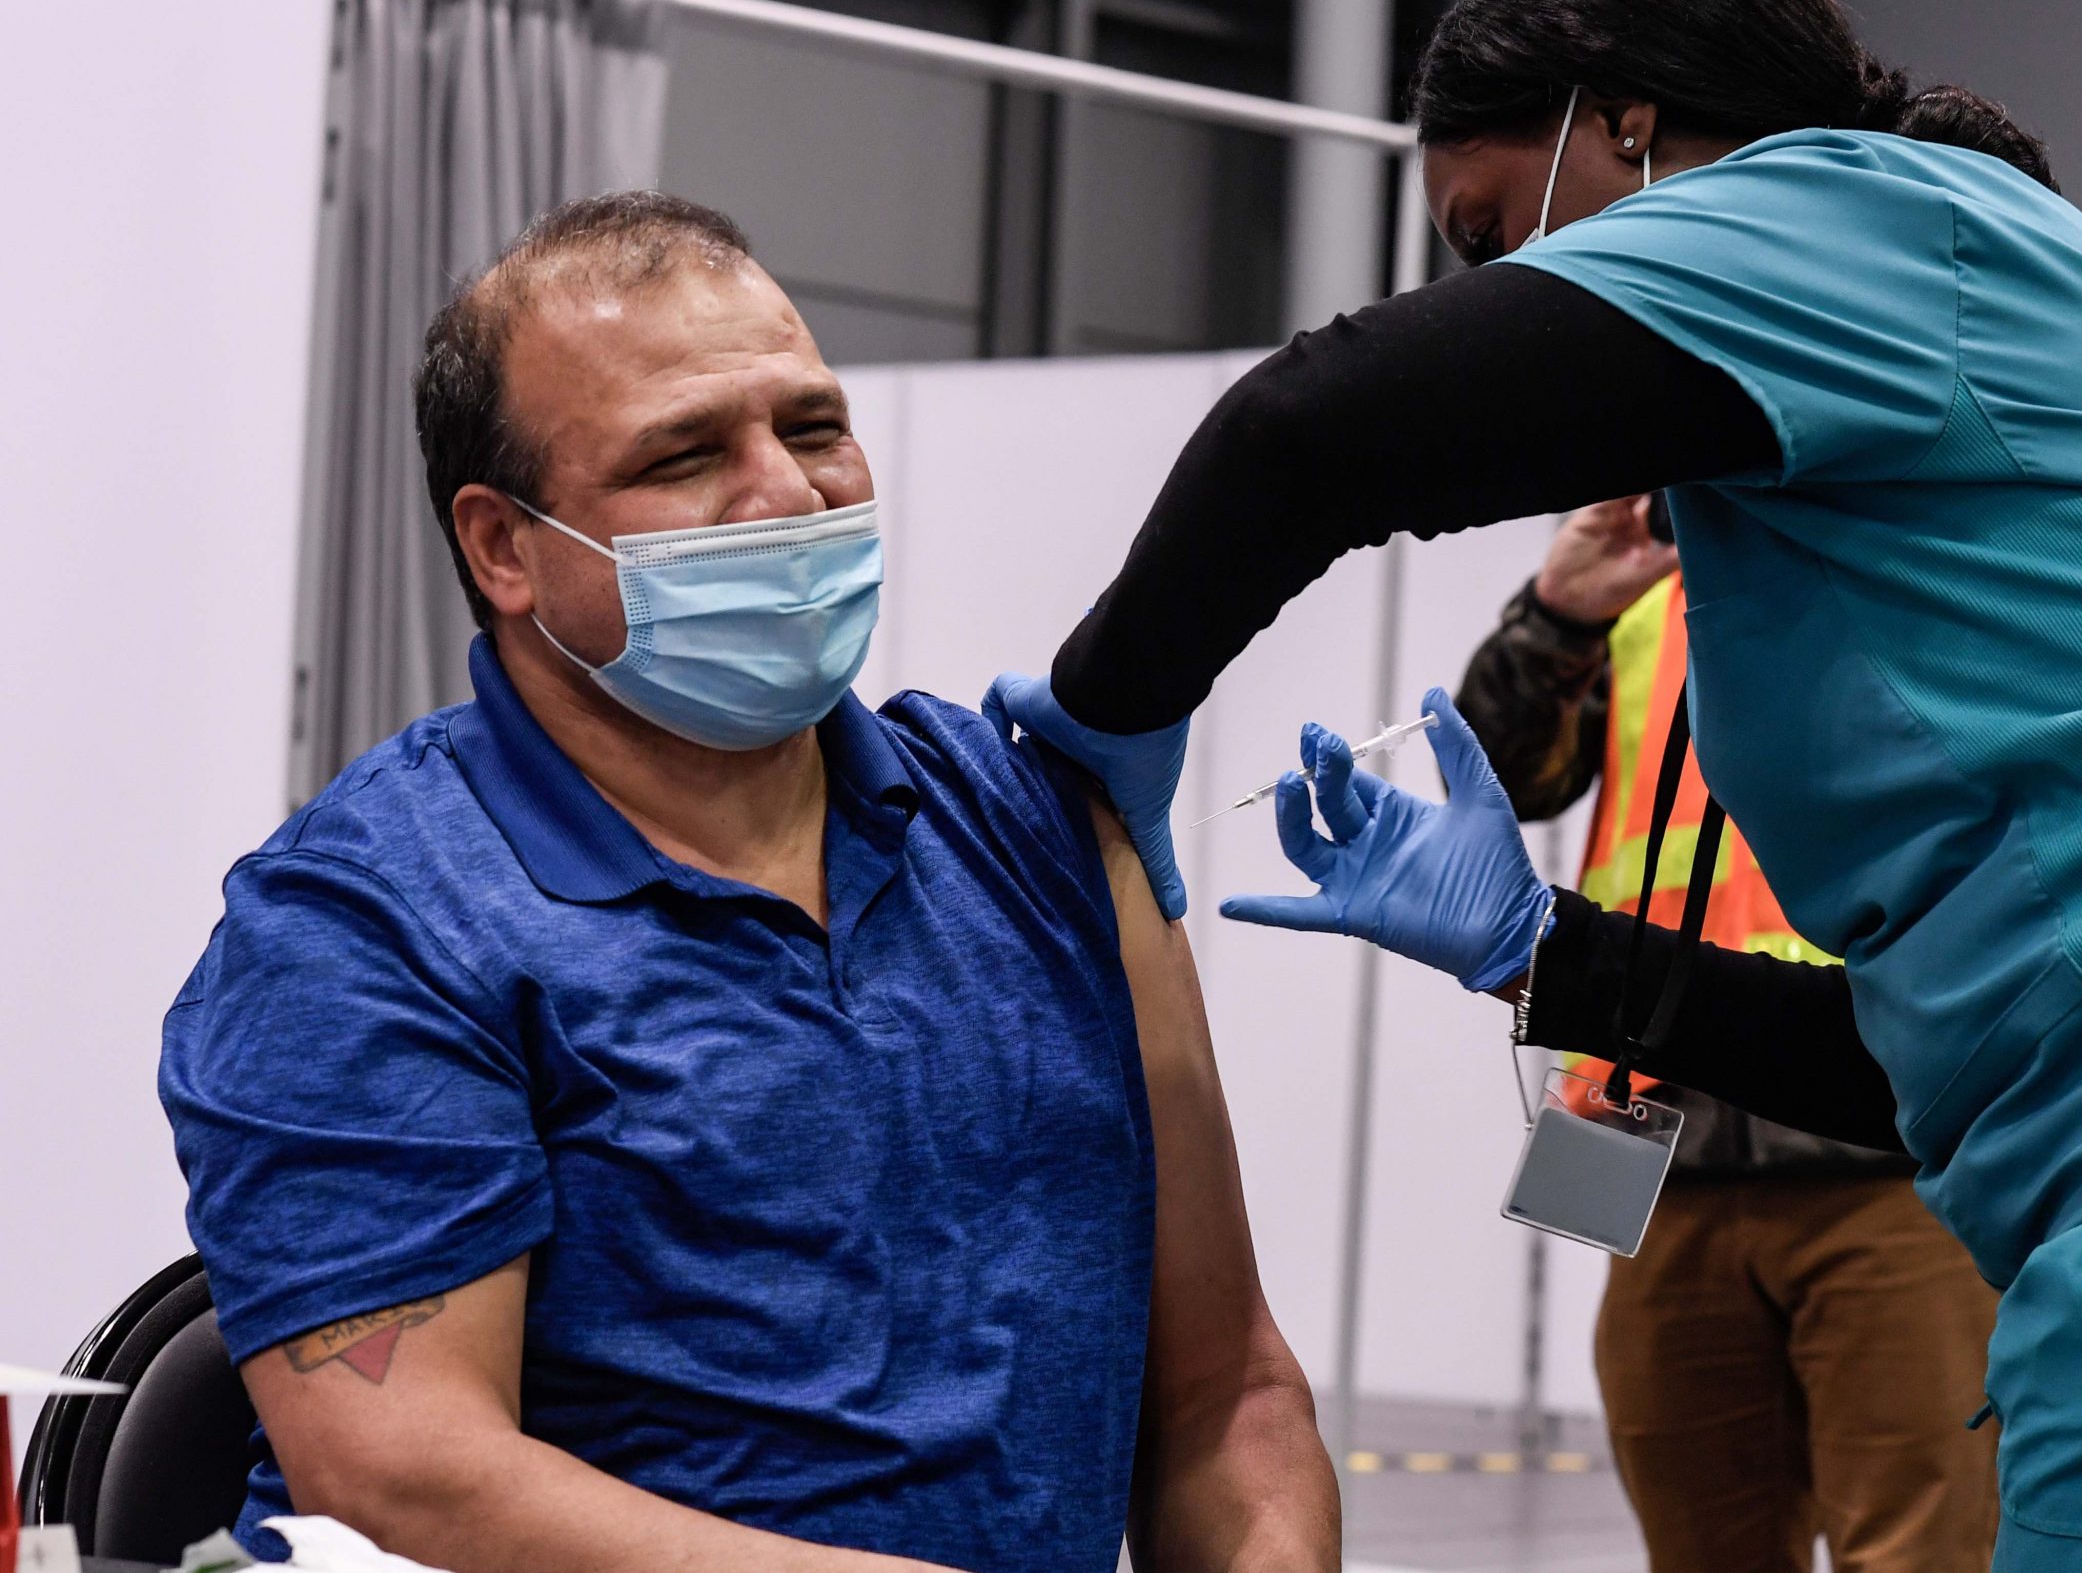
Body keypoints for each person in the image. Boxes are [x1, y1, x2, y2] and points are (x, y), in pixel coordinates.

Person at [989, 0, 2082, 1572]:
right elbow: (1931, 1060)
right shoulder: (1901, 398)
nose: (1499, 292)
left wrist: (1100, 725)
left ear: (1632, 122)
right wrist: (1544, 948)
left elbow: (1306, 429)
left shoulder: (1846, 213)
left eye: (1494, 228)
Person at [160, 193, 1337, 1573]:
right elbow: (410, 1480)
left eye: (814, 426)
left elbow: (1227, 1396)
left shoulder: (1040, 830)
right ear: (504, 547)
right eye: (685, 453)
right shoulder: (368, 921)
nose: (786, 491)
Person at [1457, 497, 1994, 1572]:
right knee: (1702, 1547)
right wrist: (1559, 613)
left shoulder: (1933, 546)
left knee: (1921, 1549)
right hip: (1664, 1145)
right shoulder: (1650, 579)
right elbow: (1500, 773)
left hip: (1886, 1152)